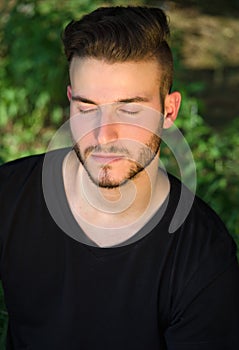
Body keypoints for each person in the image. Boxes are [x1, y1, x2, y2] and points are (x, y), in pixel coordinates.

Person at [0, 5, 238, 350]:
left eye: (129, 110)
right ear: (70, 101)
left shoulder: (203, 258)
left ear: (168, 110)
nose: (103, 135)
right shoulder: (10, 197)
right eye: (87, 108)